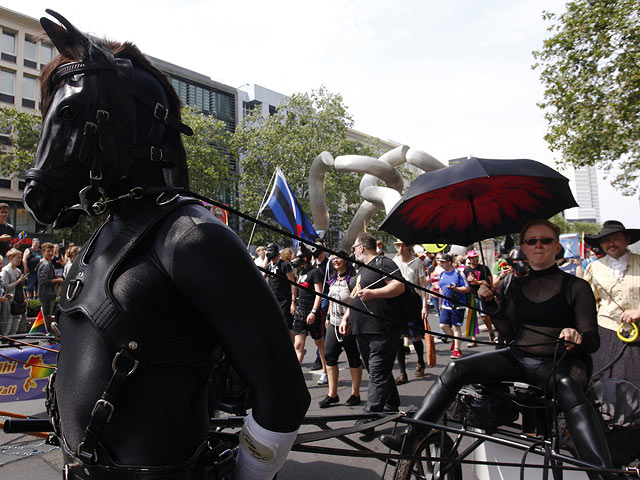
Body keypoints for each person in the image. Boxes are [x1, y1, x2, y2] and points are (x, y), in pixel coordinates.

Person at [380, 219, 613, 480]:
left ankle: (602, 470)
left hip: (564, 363)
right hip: (521, 358)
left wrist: (575, 336)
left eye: (545, 240)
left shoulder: (576, 286)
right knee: (458, 366)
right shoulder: (514, 283)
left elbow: (593, 341)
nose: (538, 245)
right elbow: (510, 332)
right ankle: (413, 436)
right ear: (523, 247)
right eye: (531, 241)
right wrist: (490, 302)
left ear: (557, 247)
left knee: (567, 384)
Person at [341, 232, 404, 424]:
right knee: (378, 371)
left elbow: (399, 286)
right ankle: (391, 404)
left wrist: (375, 293)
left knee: (376, 372)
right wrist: (346, 317)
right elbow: (354, 297)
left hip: (381, 329)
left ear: (361, 247)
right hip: (362, 330)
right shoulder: (361, 270)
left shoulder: (383, 263)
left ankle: (368, 418)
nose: (353, 252)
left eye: (354, 248)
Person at [584, 220, 640, 388]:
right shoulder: (593, 268)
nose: (611, 244)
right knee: (607, 384)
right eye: (606, 240)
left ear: (627, 240)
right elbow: (588, 304)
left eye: (616, 238)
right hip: (607, 333)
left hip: (638, 333)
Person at [319, 250, 363, 408]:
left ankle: (355, 393)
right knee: (329, 356)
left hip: (349, 325)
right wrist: (329, 317)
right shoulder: (333, 278)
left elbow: (354, 302)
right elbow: (331, 299)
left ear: (345, 260)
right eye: (333, 258)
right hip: (334, 324)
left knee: (353, 358)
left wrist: (347, 320)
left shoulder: (352, 280)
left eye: (338, 258)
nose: (335, 261)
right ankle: (332, 394)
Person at [291, 245, 328, 384]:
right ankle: (295, 376)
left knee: (319, 343)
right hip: (300, 312)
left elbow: (319, 294)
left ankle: (325, 371)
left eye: (299, 257)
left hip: (313, 313)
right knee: (298, 345)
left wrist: (313, 311)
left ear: (305, 258)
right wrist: (293, 302)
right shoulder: (300, 273)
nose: (296, 260)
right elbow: (295, 288)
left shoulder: (315, 272)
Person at [392, 239, 428, 384]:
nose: (400, 248)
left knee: (416, 336)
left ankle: (420, 362)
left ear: (409, 247)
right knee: (399, 338)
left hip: (413, 302)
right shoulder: (394, 262)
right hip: (398, 302)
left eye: (403, 246)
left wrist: (424, 305)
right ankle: (402, 373)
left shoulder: (417, 262)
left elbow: (423, 286)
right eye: (398, 246)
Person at [437, 253, 470, 359]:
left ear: (449, 262)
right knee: (443, 326)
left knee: (456, 327)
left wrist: (456, 289)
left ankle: (457, 349)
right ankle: (454, 340)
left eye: (443, 261)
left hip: (457, 305)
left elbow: (467, 288)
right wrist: (440, 303)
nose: (440, 263)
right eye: (440, 261)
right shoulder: (442, 274)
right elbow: (441, 290)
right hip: (446, 305)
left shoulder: (459, 273)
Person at [463, 249, 495, 347]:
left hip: (482, 296)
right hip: (471, 297)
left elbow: (489, 283)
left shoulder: (484, 268)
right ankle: (474, 340)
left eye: (476, 257)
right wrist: (468, 281)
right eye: (473, 258)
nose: (476, 259)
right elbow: (464, 283)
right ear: (469, 259)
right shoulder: (466, 270)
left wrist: (477, 282)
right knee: (472, 318)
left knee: (484, 316)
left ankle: (491, 333)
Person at [265, 243, 296, 342]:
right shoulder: (269, 266)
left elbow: (293, 284)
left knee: (287, 327)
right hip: (273, 301)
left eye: (269, 251)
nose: (267, 253)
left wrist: (293, 302)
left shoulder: (284, 265)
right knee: (275, 326)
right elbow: (261, 277)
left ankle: (294, 347)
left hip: (285, 301)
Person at [36, 242, 63, 331]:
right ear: (43, 252)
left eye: (52, 251)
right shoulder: (45, 264)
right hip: (46, 294)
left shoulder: (48, 263)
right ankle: (48, 334)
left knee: (48, 314)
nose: (50, 253)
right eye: (48, 251)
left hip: (49, 293)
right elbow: (42, 280)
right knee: (46, 315)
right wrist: (57, 280)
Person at [0, 248, 27, 336]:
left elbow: (20, 287)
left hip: (18, 302)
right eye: (17, 258)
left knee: (15, 326)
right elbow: (6, 287)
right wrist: (19, 280)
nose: (20, 260)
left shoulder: (18, 270)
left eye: (20, 257)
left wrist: (24, 298)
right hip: (9, 302)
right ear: (11, 258)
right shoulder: (5, 270)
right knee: (7, 326)